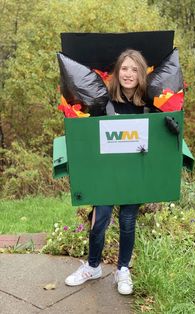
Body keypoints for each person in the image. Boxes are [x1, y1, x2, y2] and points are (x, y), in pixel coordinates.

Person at [65, 49, 148, 295]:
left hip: (134, 174)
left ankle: (123, 269)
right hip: (105, 174)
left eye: (134, 69)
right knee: (100, 219)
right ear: (117, 72)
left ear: (141, 73)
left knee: (127, 220)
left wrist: (170, 127)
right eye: (124, 68)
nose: (129, 74)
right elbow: (87, 134)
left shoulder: (150, 105)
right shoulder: (103, 102)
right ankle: (92, 266)